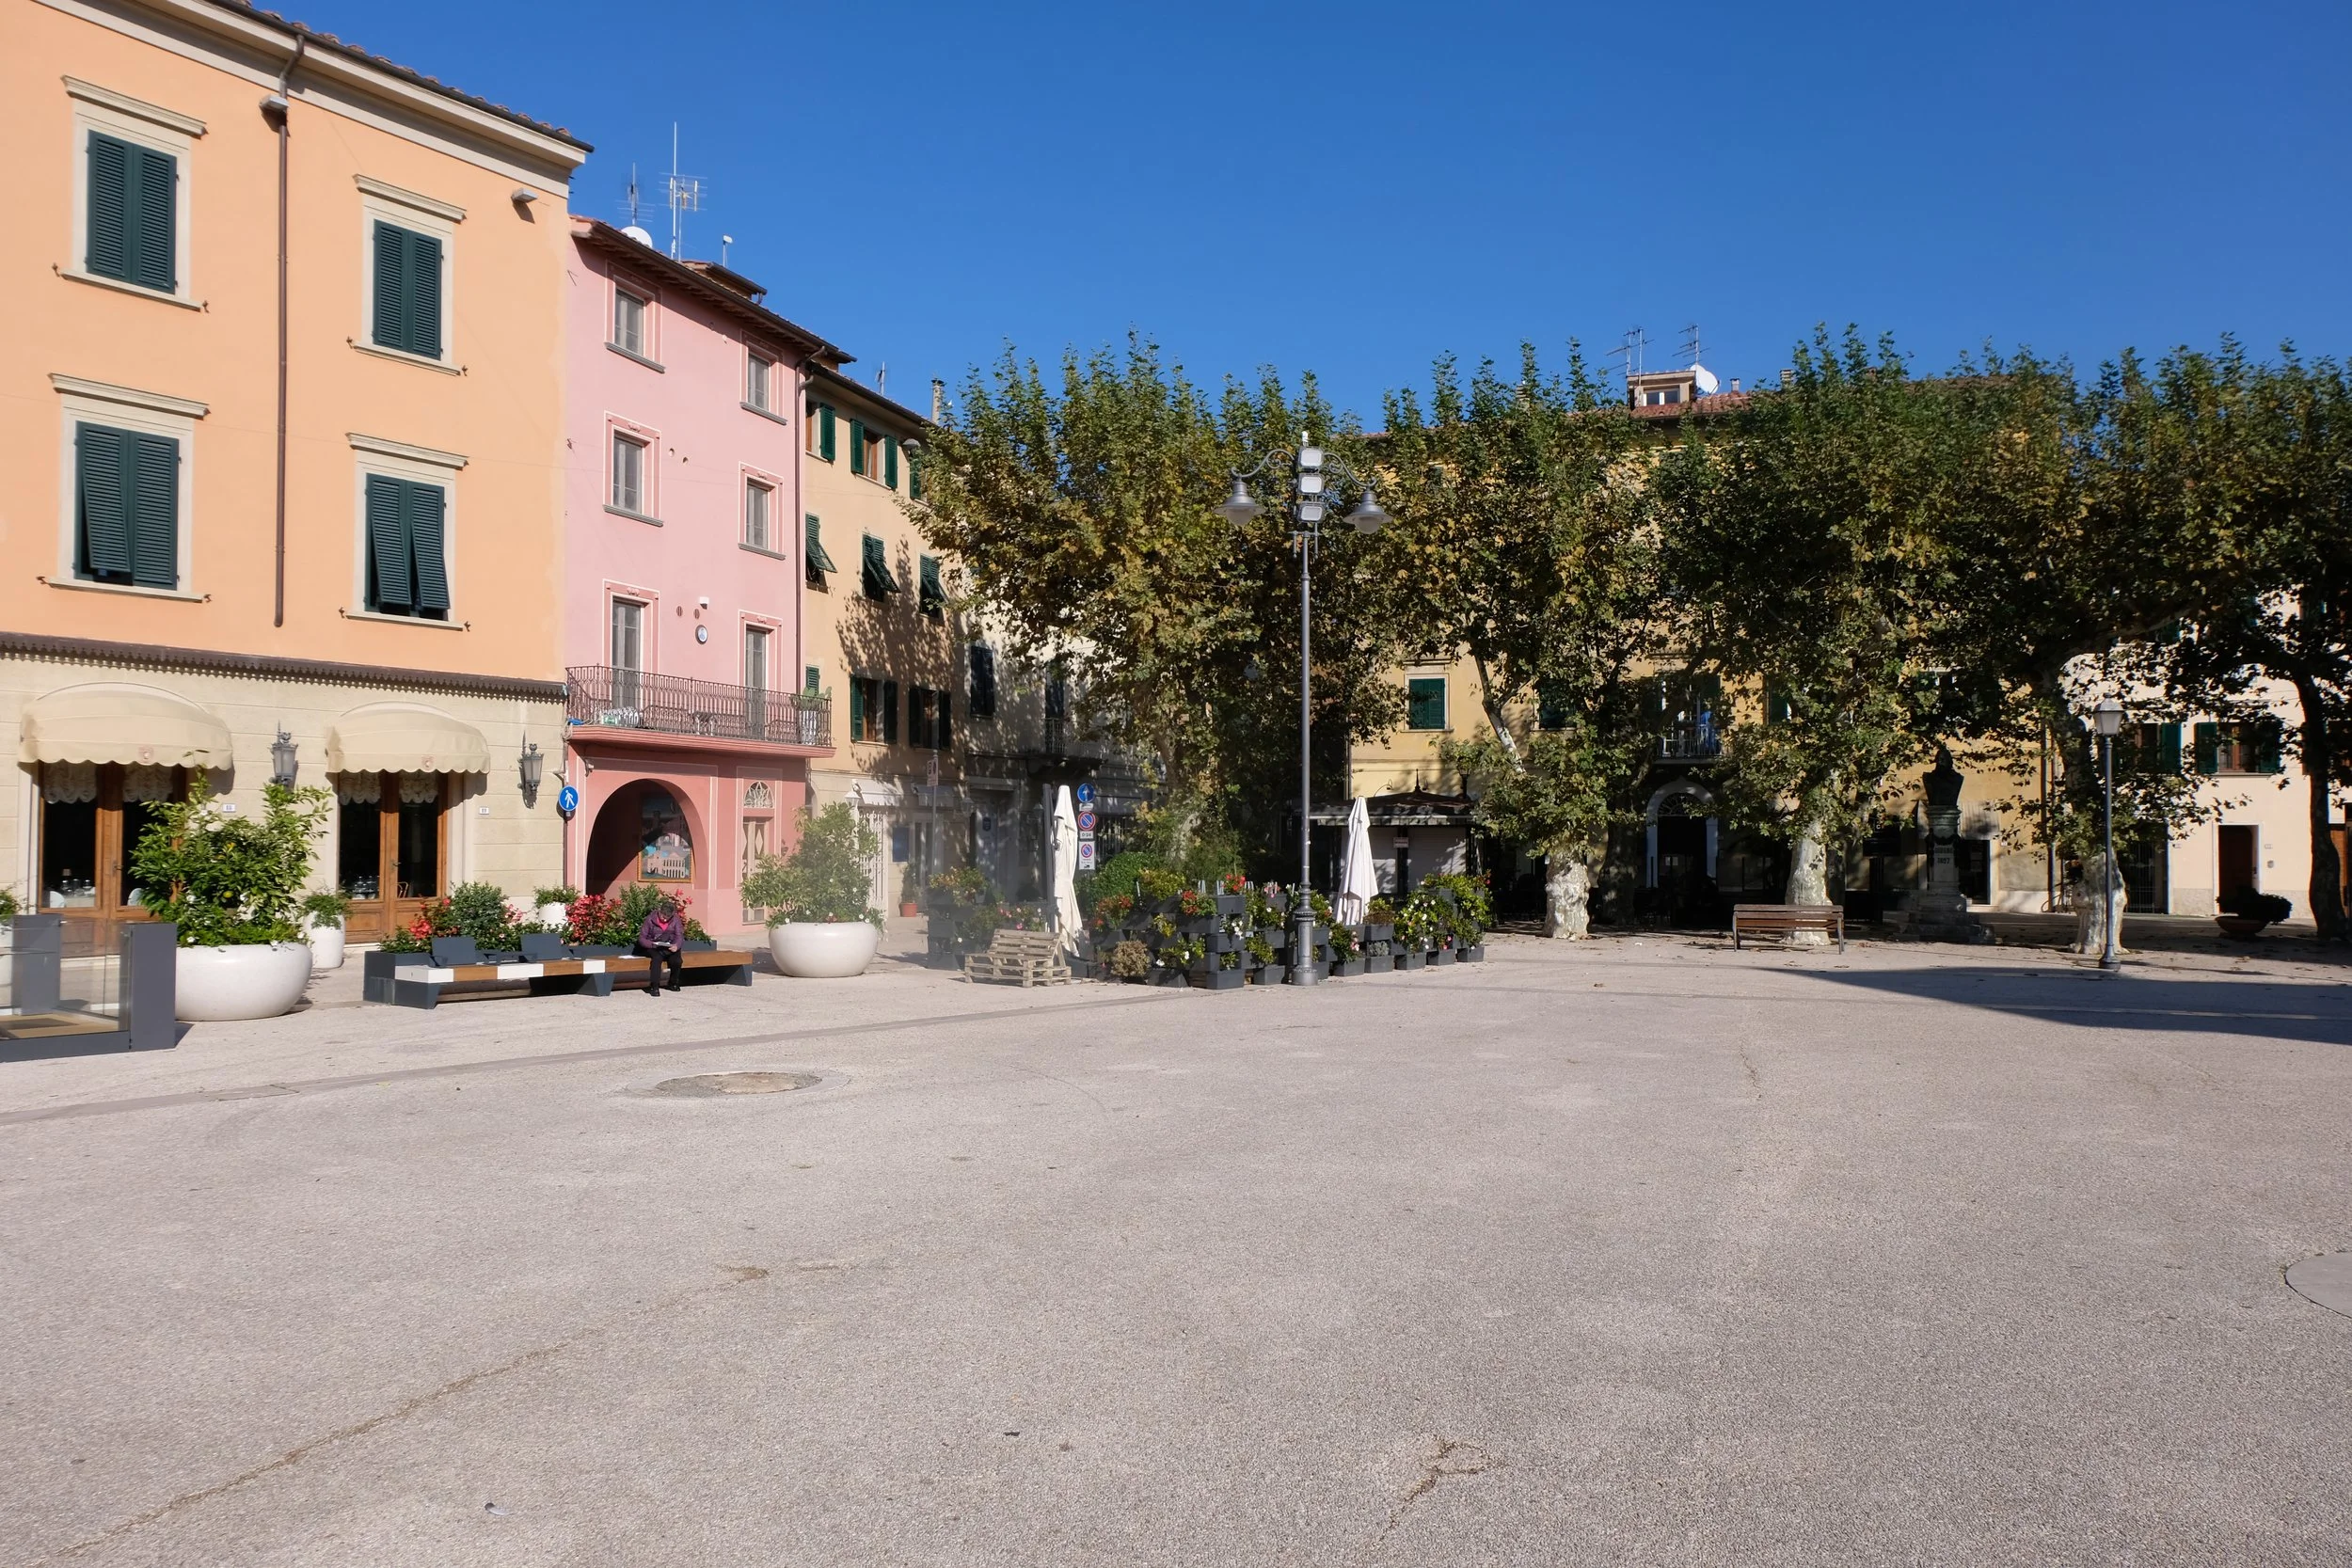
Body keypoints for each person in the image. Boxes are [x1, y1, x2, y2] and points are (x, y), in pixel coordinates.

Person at [635, 893, 687, 997]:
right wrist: (653, 944)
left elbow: (679, 936)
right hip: (652, 946)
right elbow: (642, 938)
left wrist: (676, 945)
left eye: (668, 917)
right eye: (663, 916)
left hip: (668, 945)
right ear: (660, 911)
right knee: (657, 958)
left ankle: (673, 983)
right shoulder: (650, 919)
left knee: (677, 960)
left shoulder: (676, 919)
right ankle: (654, 986)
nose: (665, 919)